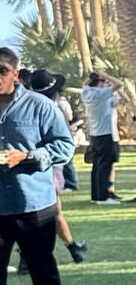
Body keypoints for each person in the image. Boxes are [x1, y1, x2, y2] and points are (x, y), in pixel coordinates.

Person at [0, 48, 78, 285]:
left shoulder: (40, 106)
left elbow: (64, 145)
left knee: (41, 268)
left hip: (33, 202)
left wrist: (29, 156)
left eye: (2, 71)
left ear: (15, 74)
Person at [27, 70, 87, 264]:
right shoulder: (53, 110)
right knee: (50, 213)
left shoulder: (26, 109)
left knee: (39, 214)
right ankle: (71, 248)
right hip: (49, 166)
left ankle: (72, 247)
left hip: (30, 166)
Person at [81, 69, 125, 204]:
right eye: (103, 81)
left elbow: (85, 84)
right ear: (99, 82)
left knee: (97, 166)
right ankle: (103, 197)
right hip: (106, 133)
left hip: (95, 134)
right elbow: (120, 84)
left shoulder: (86, 93)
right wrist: (106, 75)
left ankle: (96, 195)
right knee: (105, 166)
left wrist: (95, 77)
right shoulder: (99, 94)